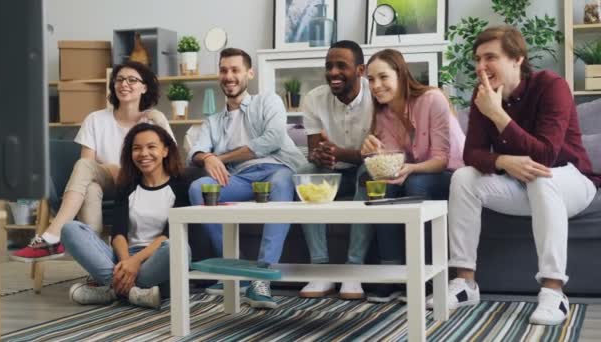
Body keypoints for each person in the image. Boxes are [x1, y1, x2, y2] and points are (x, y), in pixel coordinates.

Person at [431, 26, 600, 325]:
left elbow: (546, 155)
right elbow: (472, 155)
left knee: (539, 175)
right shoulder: (483, 95)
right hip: (521, 186)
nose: (481, 66)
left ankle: (553, 291)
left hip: (572, 181)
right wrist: (505, 161)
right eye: (478, 59)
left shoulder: (552, 86)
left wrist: (498, 115)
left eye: (490, 57)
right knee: (464, 178)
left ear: (517, 59)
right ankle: (465, 283)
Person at [12, 61, 174, 262]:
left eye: (132, 80)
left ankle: (54, 237)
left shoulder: (153, 121)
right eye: (120, 79)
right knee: (89, 185)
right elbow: (87, 164)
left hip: (142, 183)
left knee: (90, 179)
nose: (124, 84)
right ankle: (91, 256)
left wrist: (161, 120)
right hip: (108, 182)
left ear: (145, 87)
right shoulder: (96, 119)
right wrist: (113, 170)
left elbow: (170, 161)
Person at [187, 47, 306, 309]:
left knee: (281, 183)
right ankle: (236, 271)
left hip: (277, 168)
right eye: (223, 70)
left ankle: (260, 279)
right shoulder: (214, 121)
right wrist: (206, 158)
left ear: (249, 73)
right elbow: (194, 152)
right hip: (239, 179)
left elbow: (272, 139)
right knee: (199, 189)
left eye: (235, 70)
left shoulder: (268, 101)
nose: (229, 76)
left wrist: (221, 158)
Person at [356, 48, 465, 303]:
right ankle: (392, 273)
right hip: (416, 172)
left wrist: (410, 169)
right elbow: (391, 164)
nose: (376, 85)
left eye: (383, 77)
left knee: (417, 183)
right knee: (383, 188)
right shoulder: (383, 114)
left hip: (453, 174)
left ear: (401, 74)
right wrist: (370, 154)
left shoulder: (432, 99)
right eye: (371, 80)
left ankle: (424, 273)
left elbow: (440, 159)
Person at [61, 123, 189, 309]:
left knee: (178, 247)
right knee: (70, 228)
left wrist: (136, 262)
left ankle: (112, 290)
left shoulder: (182, 184)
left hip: (158, 260)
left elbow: (169, 234)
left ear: (165, 151)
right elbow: (118, 233)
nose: (143, 153)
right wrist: (126, 262)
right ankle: (133, 292)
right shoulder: (127, 184)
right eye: (136, 148)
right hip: (124, 256)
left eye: (151, 147)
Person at [297, 40, 373, 300]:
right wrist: (319, 155)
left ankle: (354, 269)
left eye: (342, 66)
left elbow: (375, 156)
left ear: (360, 70)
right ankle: (321, 268)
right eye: (329, 66)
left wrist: (340, 153)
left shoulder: (376, 94)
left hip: (366, 168)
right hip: (336, 174)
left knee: (369, 174)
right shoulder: (314, 99)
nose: (333, 72)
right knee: (307, 171)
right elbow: (315, 152)